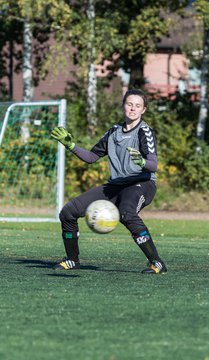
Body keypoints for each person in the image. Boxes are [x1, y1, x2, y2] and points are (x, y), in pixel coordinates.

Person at [50, 89, 167, 274]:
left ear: (144, 109)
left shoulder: (145, 132)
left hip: (141, 184)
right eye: (129, 104)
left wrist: (142, 162)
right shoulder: (113, 132)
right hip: (115, 185)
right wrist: (70, 145)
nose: (133, 109)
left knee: (126, 213)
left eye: (138, 105)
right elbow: (90, 157)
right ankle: (72, 259)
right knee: (68, 213)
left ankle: (157, 262)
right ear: (123, 106)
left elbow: (153, 165)